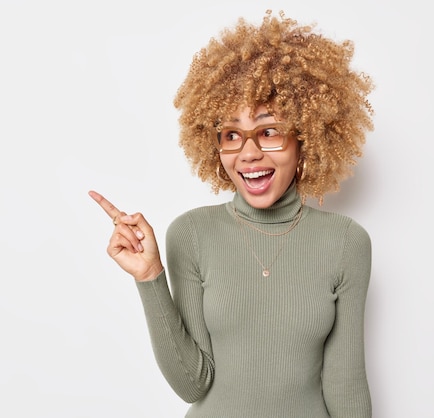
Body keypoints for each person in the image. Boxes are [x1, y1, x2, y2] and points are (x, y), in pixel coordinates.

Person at [88, 10, 374, 418]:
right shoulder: (191, 234)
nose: (248, 152)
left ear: (306, 138)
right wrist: (151, 278)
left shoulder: (346, 243)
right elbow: (192, 384)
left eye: (269, 131)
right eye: (231, 135)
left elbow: (346, 386)